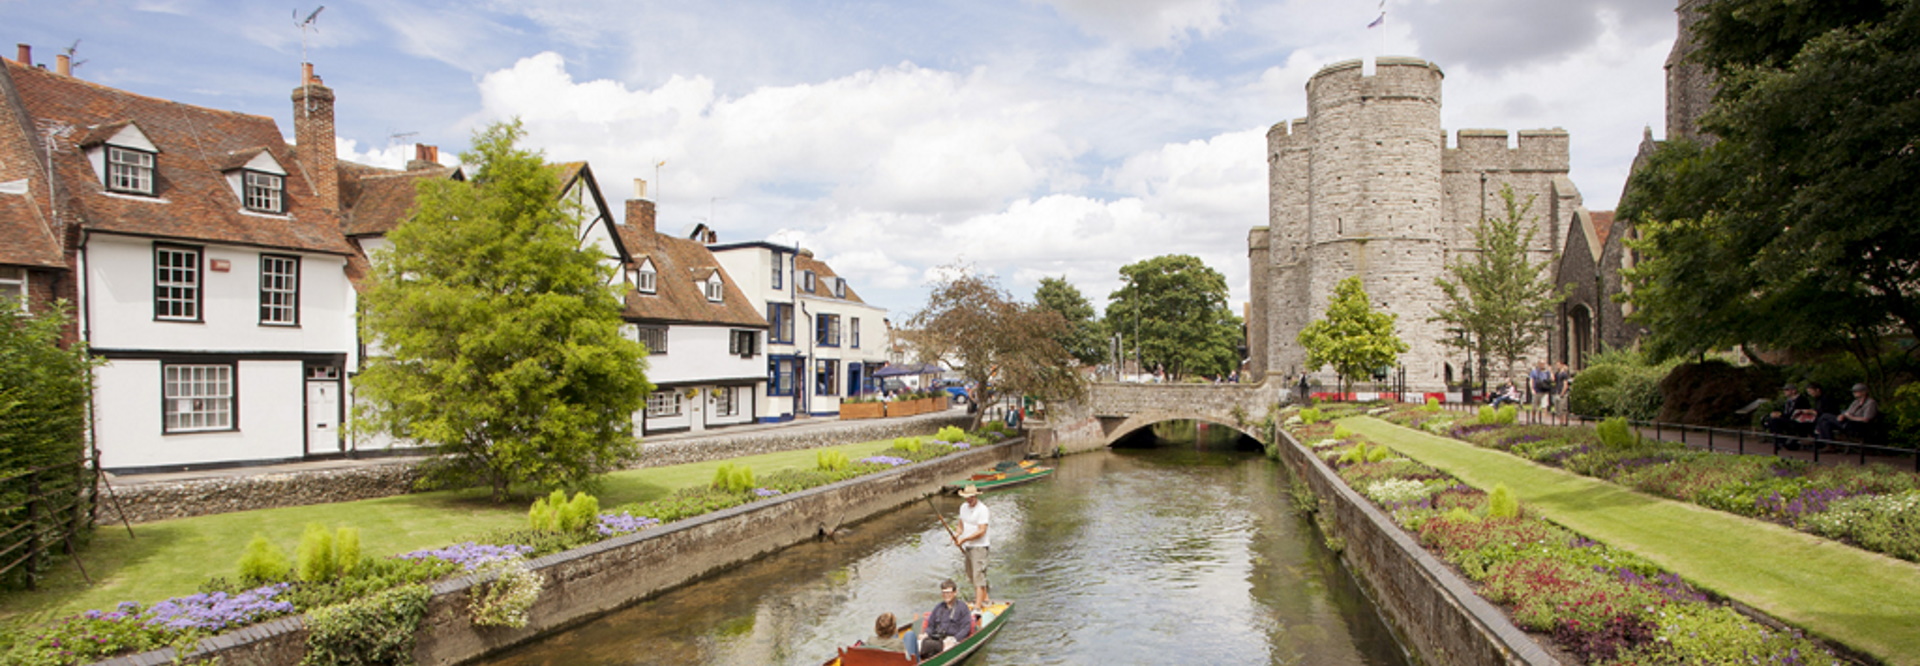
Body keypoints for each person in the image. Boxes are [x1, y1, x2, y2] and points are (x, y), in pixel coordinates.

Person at [955, 485, 991, 606]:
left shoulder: (982, 509)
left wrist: (964, 539)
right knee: (971, 575)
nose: (968, 499)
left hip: (979, 547)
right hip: (968, 546)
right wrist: (957, 535)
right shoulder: (963, 507)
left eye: (971, 497)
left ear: (975, 496)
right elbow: (961, 525)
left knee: (978, 575)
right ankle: (985, 598)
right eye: (966, 497)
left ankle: (977, 606)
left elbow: (982, 531)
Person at [919, 579, 973, 658]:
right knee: (919, 644)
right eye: (944, 593)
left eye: (948, 592)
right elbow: (931, 626)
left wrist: (954, 639)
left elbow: (965, 628)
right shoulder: (938, 607)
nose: (946, 595)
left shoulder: (962, 608)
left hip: (952, 641)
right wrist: (926, 634)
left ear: (955, 593)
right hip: (937, 640)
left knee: (946, 650)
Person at [1761, 383, 1812, 449]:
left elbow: (1795, 413)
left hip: (1798, 421)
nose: (1784, 392)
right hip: (1789, 419)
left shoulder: (1801, 400)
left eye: (1786, 390)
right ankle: (1779, 440)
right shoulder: (1788, 400)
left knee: (1775, 421)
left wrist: (1780, 415)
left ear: (1793, 391)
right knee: (1770, 419)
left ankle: (1781, 441)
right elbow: (1785, 412)